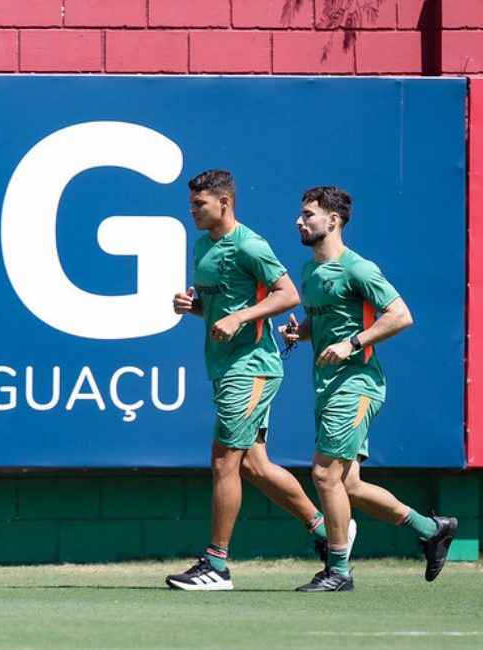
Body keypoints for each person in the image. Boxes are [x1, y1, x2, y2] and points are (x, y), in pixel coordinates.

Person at [166, 170, 346, 591]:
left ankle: (217, 566)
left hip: (252, 367)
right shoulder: (201, 246)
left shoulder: (249, 243)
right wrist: (190, 307)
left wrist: (240, 316)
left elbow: (288, 294)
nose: (192, 210)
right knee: (255, 466)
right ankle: (326, 534)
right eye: (191, 204)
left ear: (225, 203)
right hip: (225, 366)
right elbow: (217, 310)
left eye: (200, 204)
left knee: (223, 461)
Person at [280, 186, 458, 592]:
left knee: (325, 475)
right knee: (349, 485)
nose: (299, 221)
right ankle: (433, 529)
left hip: (357, 385)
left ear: (333, 220)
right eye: (301, 214)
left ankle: (339, 571)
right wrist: (301, 333)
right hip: (328, 387)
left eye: (308, 214)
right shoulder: (311, 271)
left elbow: (400, 315)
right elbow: (324, 324)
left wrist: (353, 343)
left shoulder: (358, 268)